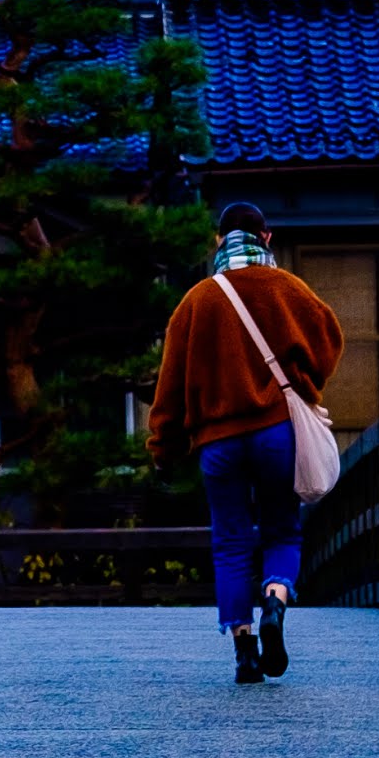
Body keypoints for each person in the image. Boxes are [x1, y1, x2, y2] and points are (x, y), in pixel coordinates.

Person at [145, 202, 344, 684]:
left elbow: (169, 386)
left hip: (218, 444)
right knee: (282, 530)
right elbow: (330, 339)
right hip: (277, 432)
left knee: (231, 542)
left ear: (219, 242)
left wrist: (163, 447)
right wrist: (303, 385)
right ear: (266, 238)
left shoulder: (195, 302)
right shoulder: (289, 290)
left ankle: (244, 650)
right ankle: (275, 599)